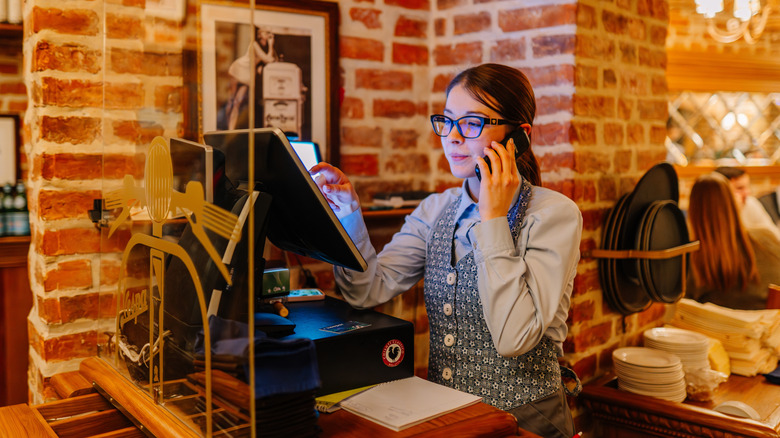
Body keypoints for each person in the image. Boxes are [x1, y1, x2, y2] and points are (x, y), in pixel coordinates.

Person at [311, 63, 582, 438]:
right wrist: (347, 215)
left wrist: (493, 218)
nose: (452, 137)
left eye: (472, 123)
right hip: (447, 420)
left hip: (527, 422)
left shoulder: (554, 215)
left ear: (519, 137)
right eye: (447, 121)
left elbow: (514, 338)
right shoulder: (435, 210)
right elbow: (365, 290)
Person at [687, 172, 780, 310]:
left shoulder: (693, 260)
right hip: (768, 326)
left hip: (719, 328)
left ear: (693, 212)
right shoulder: (765, 238)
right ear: (732, 203)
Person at [224, 26, 277, 130]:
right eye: (267, 33)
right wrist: (271, 46)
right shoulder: (255, 44)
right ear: (260, 34)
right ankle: (229, 127)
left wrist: (270, 46)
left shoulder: (265, 47)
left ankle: (232, 128)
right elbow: (268, 59)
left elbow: (271, 59)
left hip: (248, 75)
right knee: (233, 100)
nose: (269, 36)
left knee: (239, 101)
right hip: (240, 69)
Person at [714, 166, 780, 241]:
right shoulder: (711, 211)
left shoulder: (750, 203)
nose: (748, 193)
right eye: (739, 188)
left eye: (747, 187)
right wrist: (736, 212)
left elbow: (774, 236)